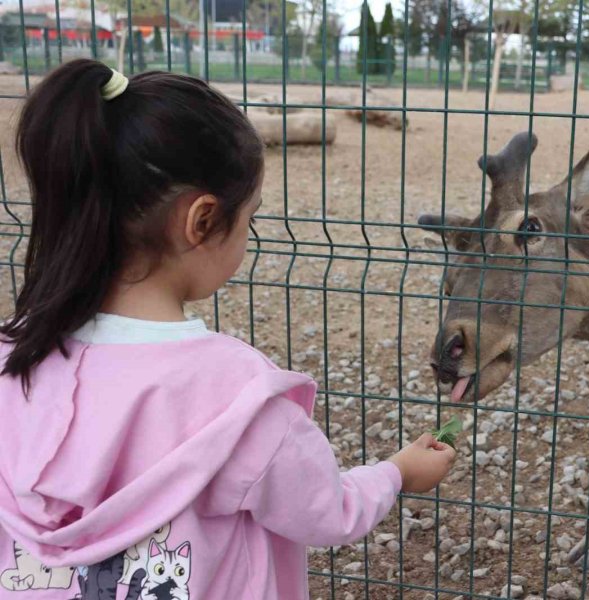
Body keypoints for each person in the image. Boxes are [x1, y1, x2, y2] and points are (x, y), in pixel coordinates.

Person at [0, 59, 456, 600]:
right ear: (202, 221)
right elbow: (328, 511)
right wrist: (397, 472)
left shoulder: (14, 356)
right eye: (251, 217)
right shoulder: (237, 397)